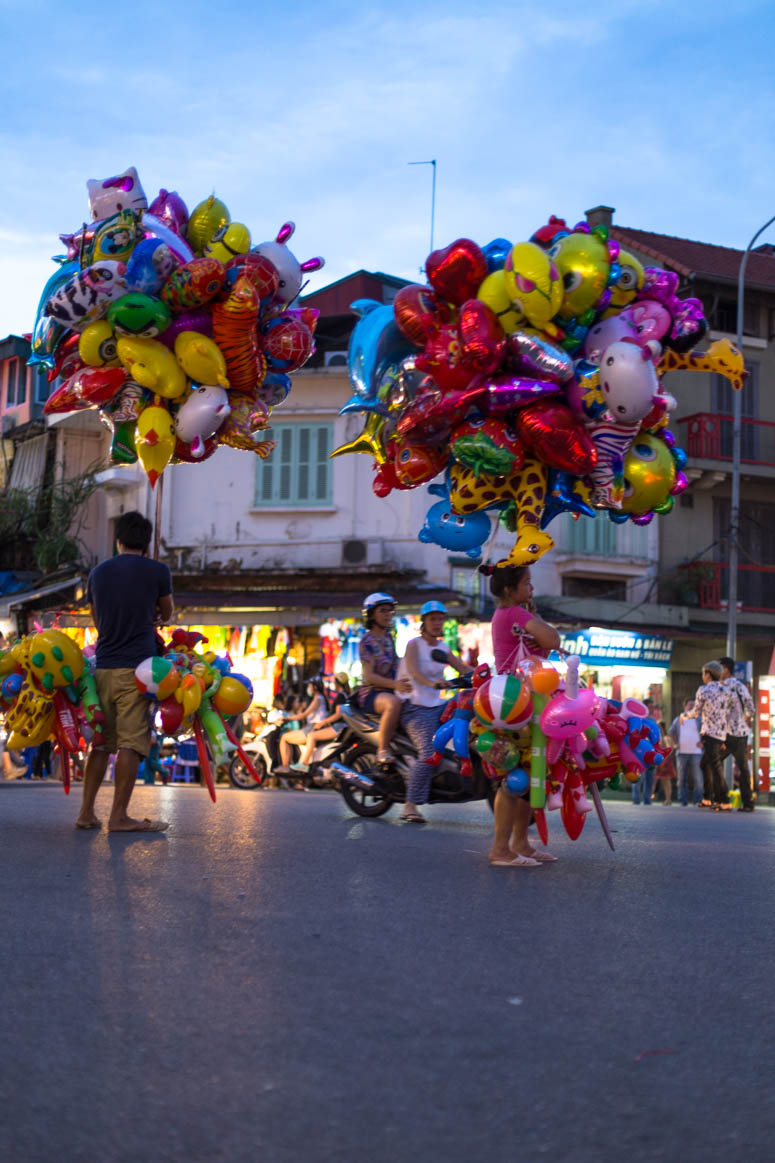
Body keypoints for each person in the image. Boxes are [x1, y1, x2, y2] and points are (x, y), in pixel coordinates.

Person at [75, 510, 173, 832]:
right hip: (138, 671)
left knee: (101, 743)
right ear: (147, 543)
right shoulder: (158, 570)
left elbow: (96, 619)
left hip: (102, 666)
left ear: (118, 540)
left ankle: (86, 813)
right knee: (131, 741)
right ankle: (118, 816)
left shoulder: (98, 573)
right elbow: (167, 613)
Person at [484, 564, 562, 867]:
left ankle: (520, 843)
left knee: (527, 776)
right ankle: (501, 849)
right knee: (514, 778)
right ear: (509, 589)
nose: (531, 589)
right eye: (526, 583)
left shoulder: (510, 614)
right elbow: (552, 640)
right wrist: (534, 614)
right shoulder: (515, 614)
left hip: (522, 701)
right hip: (515, 703)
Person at [396, 601, 472, 824]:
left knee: (467, 702)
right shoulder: (414, 645)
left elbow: (463, 668)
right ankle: (410, 805)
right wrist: (434, 684)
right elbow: (414, 672)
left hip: (437, 706)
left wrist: (487, 674)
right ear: (424, 622)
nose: (437, 623)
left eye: (440, 619)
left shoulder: (443, 648)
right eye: (433, 619)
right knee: (429, 753)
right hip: (415, 707)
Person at [353, 592, 412, 767]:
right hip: (372, 693)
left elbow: (397, 662)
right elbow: (369, 677)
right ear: (371, 615)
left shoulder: (388, 638)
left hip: (391, 688)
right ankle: (383, 749)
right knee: (393, 704)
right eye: (383, 611)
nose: (388, 615)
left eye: (390, 611)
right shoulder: (366, 642)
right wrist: (395, 684)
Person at [290, 672, 352, 776]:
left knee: (311, 736)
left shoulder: (341, 696)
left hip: (338, 727)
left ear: (337, 683)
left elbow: (338, 714)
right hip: (342, 727)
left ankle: (304, 764)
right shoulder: (346, 695)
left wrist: (322, 722)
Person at [692, 660, 731, 811]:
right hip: (721, 733)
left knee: (715, 766)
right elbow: (728, 713)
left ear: (708, 675)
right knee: (707, 764)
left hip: (710, 734)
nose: (703, 676)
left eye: (703, 673)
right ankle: (709, 798)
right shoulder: (725, 690)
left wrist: (685, 716)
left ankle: (724, 800)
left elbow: (696, 711)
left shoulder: (704, 690)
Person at [719, 656, 755, 812]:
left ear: (725, 669)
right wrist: (745, 718)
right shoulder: (741, 686)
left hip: (725, 734)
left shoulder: (720, 687)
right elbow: (751, 709)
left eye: (718, 668)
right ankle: (748, 803)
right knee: (743, 769)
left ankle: (722, 800)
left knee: (712, 764)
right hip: (740, 734)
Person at [276, 679, 329, 777]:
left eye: (309, 686)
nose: (308, 688)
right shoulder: (319, 699)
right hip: (312, 727)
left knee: (284, 737)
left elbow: (304, 715)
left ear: (315, 687)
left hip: (312, 728)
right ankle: (289, 765)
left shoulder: (318, 699)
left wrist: (287, 718)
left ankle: (285, 766)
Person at [669, 699, 704, 805]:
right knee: (681, 779)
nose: (691, 707)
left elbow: (706, 732)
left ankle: (698, 800)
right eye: (689, 705)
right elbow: (671, 732)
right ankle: (682, 800)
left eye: (694, 705)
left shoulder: (700, 719)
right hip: (682, 753)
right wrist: (674, 744)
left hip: (696, 753)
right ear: (684, 707)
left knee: (698, 778)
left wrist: (703, 742)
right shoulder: (679, 719)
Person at [632, 698, 657, 806]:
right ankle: (636, 799)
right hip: (639, 751)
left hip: (651, 751)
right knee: (639, 776)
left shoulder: (653, 719)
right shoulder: (638, 718)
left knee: (650, 777)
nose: (652, 709)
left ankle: (647, 799)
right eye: (650, 707)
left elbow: (656, 735)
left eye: (653, 707)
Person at [654, 721, 675, 805]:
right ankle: (666, 799)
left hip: (666, 761)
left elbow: (671, 749)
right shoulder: (656, 738)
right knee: (662, 780)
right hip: (659, 761)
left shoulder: (666, 738)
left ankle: (668, 799)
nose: (659, 729)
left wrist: (665, 758)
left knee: (666, 781)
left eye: (660, 728)